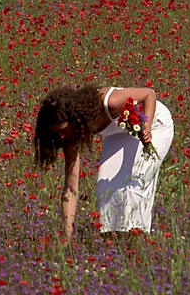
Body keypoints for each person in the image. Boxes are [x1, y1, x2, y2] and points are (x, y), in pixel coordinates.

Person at [33, 85, 174, 242]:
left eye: (63, 130)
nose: (61, 136)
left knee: (133, 185)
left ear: (75, 118)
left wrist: (146, 128)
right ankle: (114, 243)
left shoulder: (110, 102)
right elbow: (71, 188)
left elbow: (149, 94)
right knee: (104, 189)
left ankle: (137, 243)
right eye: (57, 132)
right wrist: (68, 235)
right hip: (120, 132)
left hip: (154, 123)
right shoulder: (71, 136)